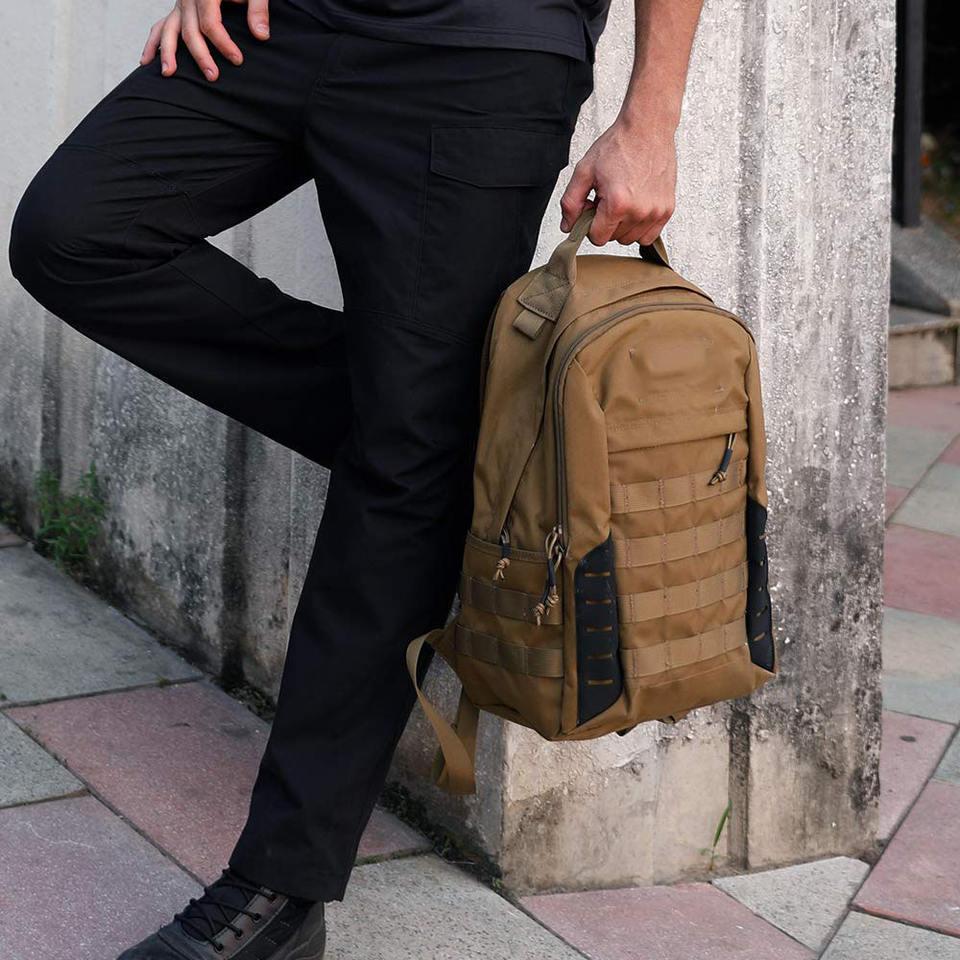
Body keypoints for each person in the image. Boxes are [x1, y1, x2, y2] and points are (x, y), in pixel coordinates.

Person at [8, 0, 704, 955]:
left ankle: (279, 891)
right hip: (291, 20)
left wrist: (650, 119)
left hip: (482, 53)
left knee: (409, 451)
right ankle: (434, 445)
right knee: (75, 232)